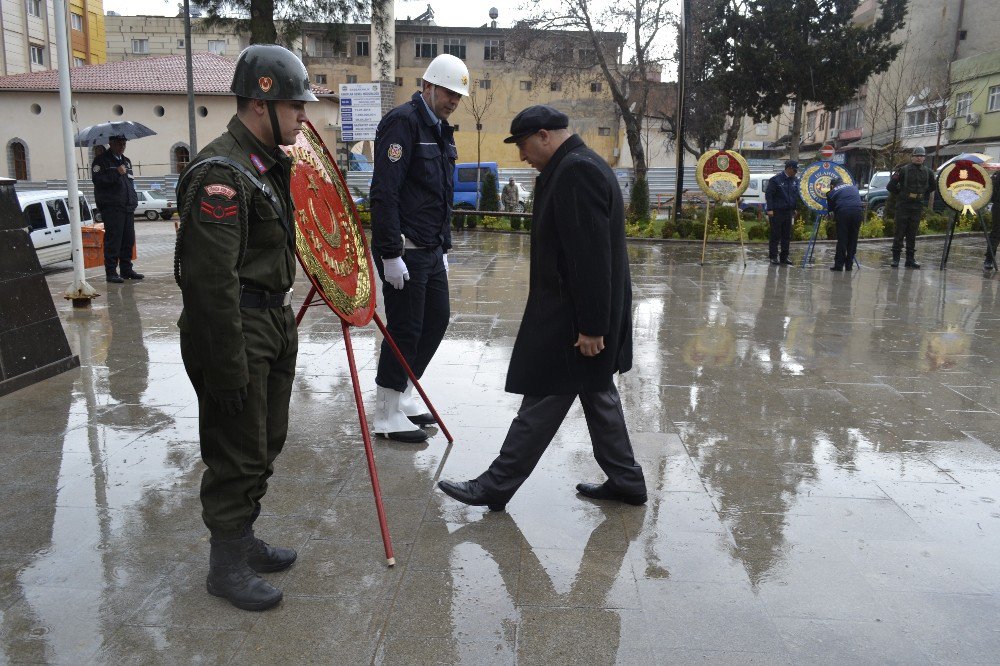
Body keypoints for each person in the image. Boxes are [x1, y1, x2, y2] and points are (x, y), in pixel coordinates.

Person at [437, 105, 647, 511]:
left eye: (524, 145)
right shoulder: (580, 164)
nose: (522, 156)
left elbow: (589, 258)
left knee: (545, 397)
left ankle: (496, 485)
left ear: (546, 135)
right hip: (579, 314)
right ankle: (627, 480)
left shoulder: (575, 172)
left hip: (573, 319)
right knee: (597, 393)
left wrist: (591, 327)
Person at [173, 44, 315, 612]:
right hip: (238, 326)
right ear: (263, 103)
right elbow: (210, 287)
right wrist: (226, 365)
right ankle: (225, 564)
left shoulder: (263, 164)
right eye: (296, 107)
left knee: (265, 442)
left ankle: (244, 536)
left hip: (272, 321)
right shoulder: (220, 177)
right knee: (236, 448)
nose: (304, 118)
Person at [368, 53, 469, 443]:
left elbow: (439, 193)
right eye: (447, 92)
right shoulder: (402, 123)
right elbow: (385, 193)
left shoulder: (442, 129)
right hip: (405, 249)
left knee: (436, 321)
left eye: (458, 96)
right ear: (427, 86)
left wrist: (443, 245)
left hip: (430, 248)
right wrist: (390, 253)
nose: (453, 101)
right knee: (406, 329)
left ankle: (405, 394)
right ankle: (386, 413)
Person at [92, 135, 142, 283]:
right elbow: (98, 181)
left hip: (127, 206)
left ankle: (126, 269)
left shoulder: (126, 161)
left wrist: (133, 199)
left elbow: (129, 182)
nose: (122, 147)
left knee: (128, 239)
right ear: (111, 144)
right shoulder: (101, 161)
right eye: (119, 144)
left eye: (124, 144)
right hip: (112, 207)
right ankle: (111, 271)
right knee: (114, 240)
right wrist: (116, 173)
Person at [886, 146, 936, 269]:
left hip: (917, 205)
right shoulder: (903, 170)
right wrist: (902, 193)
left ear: (924, 158)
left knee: (912, 233)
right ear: (912, 157)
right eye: (917, 156)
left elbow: (933, 186)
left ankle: (910, 259)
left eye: (921, 156)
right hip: (903, 205)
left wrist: (922, 194)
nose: (919, 158)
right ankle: (896, 259)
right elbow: (890, 186)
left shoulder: (928, 172)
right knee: (899, 232)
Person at [765, 159, 799, 266]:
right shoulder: (776, 180)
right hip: (777, 211)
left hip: (788, 212)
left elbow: (794, 196)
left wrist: (794, 208)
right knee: (775, 235)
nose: (795, 172)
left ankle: (784, 257)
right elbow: (769, 195)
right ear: (788, 169)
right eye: (794, 170)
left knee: (786, 235)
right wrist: (769, 209)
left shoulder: (794, 180)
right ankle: (773, 257)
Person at [826, 176, 863, 271]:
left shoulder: (832, 192)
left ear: (833, 185)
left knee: (842, 239)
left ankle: (838, 265)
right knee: (853, 239)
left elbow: (831, 211)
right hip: (858, 212)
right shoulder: (853, 187)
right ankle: (849, 265)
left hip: (844, 213)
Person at [984, 169, 1000, 270]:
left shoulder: (996, 175)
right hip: (998, 205)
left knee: (995, 234)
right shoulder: (997, 175)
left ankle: (989, 260)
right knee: (995, 234)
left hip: (997, 205)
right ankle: (989, 259)